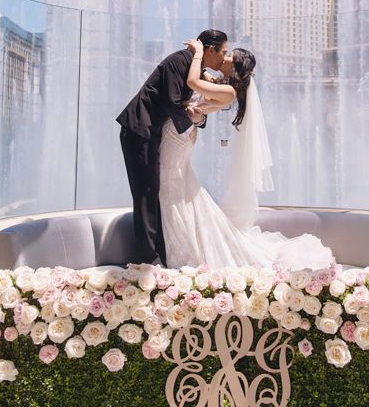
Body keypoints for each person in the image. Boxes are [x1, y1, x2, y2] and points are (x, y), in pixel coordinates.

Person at [158, 38, 335, 271]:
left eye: (229, 55)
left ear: (236, 65)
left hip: (180, 139)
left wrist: (200, 52)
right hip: (181, 136)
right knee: (180, 190)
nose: (225, 56)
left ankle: (182, 246)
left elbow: (192, 82)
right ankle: (182, 239)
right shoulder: (223, 86)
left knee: (174, 188)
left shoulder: (228, 91)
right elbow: (198, 93)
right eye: (224, 51)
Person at [116, 29, 228, 265]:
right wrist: (191, 125)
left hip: (152, 132)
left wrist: (197, 119)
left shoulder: (194, 66)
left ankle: (157, 253)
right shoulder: (179, 61)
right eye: (223, 52)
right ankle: (146, 260)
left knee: (152, 190)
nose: (223, 58)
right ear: (210, 50)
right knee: (146, 192)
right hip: (139, 130)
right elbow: (173, 102)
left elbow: (190, 103)